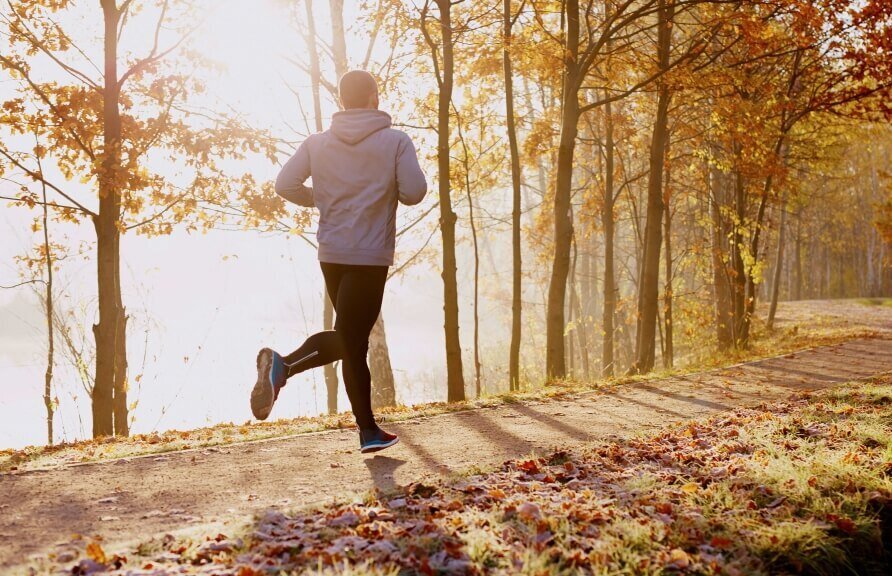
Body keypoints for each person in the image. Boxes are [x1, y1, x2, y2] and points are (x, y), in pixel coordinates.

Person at [250, 70, 427, 454]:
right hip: (369, 255)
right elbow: (414, 192)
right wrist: (380, 190)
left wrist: (326, 198)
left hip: (331, 253)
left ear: (343, 101)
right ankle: (290, 370)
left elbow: (285, 185)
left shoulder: (317, 143)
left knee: (350, 337)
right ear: (374, 98)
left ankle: (363, 427)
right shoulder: (395, 141)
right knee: (353, 338)